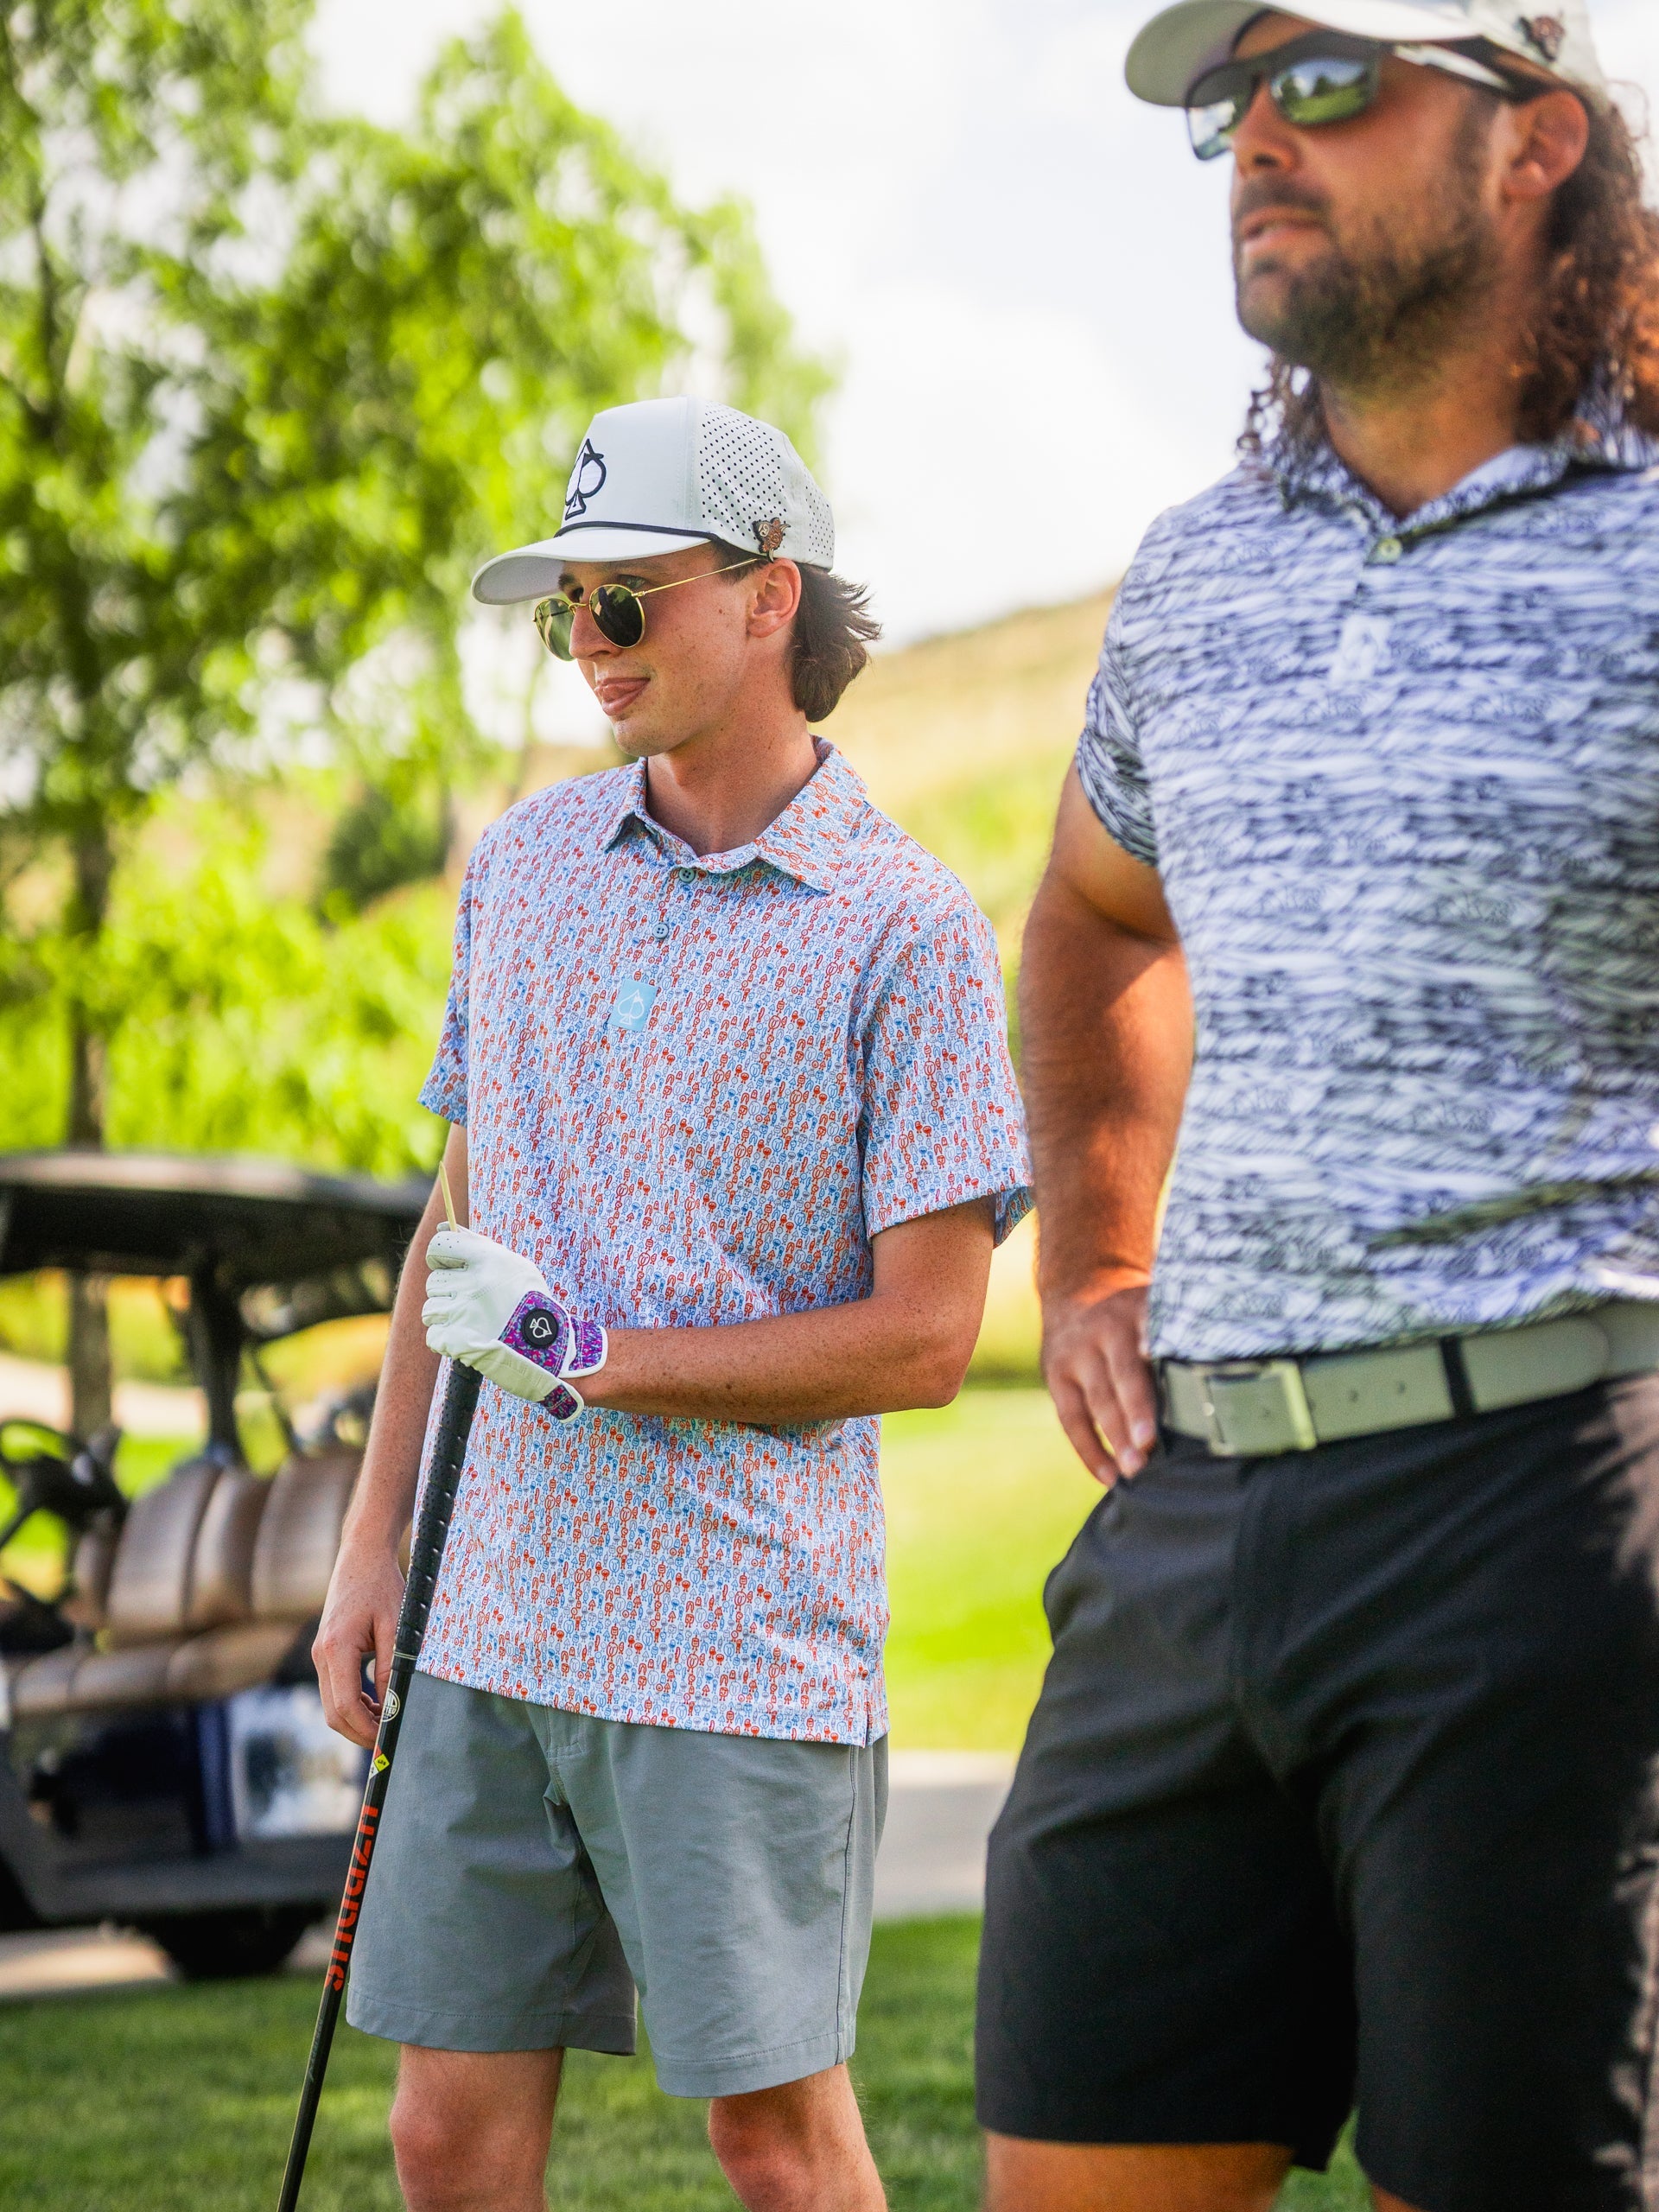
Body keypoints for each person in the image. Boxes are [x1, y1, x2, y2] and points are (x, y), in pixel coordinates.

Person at [975, 5, 1659, 2209]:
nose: (1261, 129)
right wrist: (1096, 1255)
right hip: (1190, 1520)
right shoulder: (1199, 570)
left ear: (1536, 142)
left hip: (1549, 1514)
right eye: (1232, 100)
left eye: (1333, 79)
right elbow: (1097, 919)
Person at [314, 395, 1031, 2212]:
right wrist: (371, 1543)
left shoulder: (907, 929)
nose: (590, 642)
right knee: (440, 2136)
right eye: (569, 607)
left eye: (625, 600)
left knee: (775, 2143)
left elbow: (930, 1336)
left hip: (736, 1645)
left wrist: (590, 1357)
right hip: (489, 1623)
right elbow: (457, 1222)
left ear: (770, 595)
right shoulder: (524, 868)